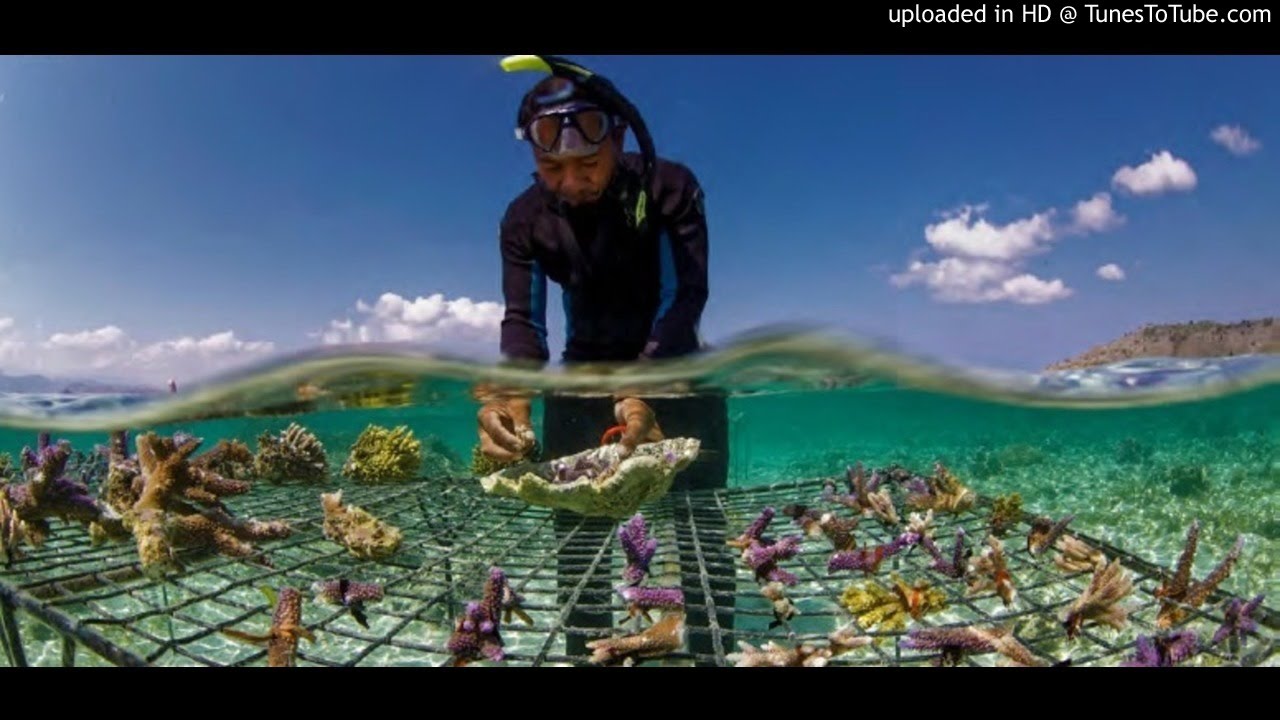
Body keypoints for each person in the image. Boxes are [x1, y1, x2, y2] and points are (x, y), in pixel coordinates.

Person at [472, 56, 734, 664]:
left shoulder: (670, 187)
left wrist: (647, 388)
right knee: (579, 546)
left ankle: (713, 651)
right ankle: (587, 649)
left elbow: (683, 297)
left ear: (618, 139)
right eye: (550, 167)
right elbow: (524, 325)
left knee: (699, 534)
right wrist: (509, 402)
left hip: (678, 368)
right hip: (583, 372)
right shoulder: (523, 220)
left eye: (588, 164)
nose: (571, 183)